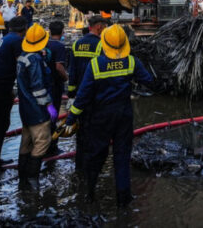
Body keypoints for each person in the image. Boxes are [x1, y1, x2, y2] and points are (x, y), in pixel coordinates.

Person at [58, 24, 157, 204]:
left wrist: (71, 118)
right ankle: (123, 199)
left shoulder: (96, 65)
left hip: (100, 117)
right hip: (123, 115)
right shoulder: (132, 61)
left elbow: (83, 96)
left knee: (96, 155)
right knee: (122, 157)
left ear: (104, 43)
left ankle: (90, 195)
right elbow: (149, 81)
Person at [16, 24, 56, 191]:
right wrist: (49, 106)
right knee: (41, 143)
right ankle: (32, 179)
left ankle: (22, 178)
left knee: (26, 142)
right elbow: (38, 87)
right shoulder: (34, 60)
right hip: (36, 109)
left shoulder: (23, 56)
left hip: (25, 108)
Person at [0, 16, 27, 173]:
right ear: (24, 28)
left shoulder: (6, 39)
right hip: (0, 86)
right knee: (0, 124)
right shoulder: (17, 41)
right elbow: (22, 65)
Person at [68, 14, 108, 171]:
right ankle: (92, 168)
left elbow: (72, 71)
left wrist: (71, 94)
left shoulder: (76, 44)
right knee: (96, 131)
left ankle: (79, 166)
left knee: (81, 131)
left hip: (79, 95)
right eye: (104, 27)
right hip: (95, 96)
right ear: (98, 27)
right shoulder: (101, 45)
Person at [46, 20, 69, 151]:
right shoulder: (59, 46)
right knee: (53, 114)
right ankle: (52, 146)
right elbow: (59, 66)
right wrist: (66, 78)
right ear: (62, 32)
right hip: (55, 84)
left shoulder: (45, 43)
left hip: (46, 84)